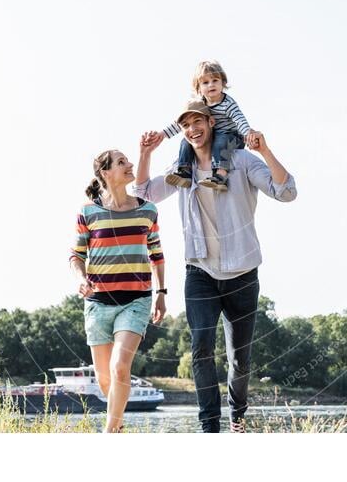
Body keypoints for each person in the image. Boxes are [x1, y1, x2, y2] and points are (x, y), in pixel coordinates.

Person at [135, 101, 297, 433]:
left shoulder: (240, 161)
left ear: (211, 122)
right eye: (185, 126)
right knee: (201, 348)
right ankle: (209, 427)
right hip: (200, 272)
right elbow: (143, 194)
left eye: (198, 122)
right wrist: (145, 154)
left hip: (242, 274)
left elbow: (287, 191)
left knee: (240, 358)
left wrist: (265, 150)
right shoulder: (183, 170)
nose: (192, 130)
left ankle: (237, 415)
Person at [69, 149, 167, 432]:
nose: (130, 165)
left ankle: (109, 434)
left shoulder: (148, 210)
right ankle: (119, 428)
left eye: (128, 160)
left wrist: (162, 292)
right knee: (104, 380)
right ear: (105, 173)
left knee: (120, 367)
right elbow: (76, 255)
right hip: (98, 303)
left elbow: (157, 255)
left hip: (135, 301)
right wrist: (80, 278)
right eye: (121, 162)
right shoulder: (88, 212)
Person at [145, 60, 261, 191]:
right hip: (214, 135)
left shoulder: (228, 103)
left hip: (232, 136)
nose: (211, 85)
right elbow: (182, 123)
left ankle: (220, 176)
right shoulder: (201, 103)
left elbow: (240, 120)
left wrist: (248, 133)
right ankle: (185, 172)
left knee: (220, 141)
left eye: (215, 80)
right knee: (185, 141)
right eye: (205, 82)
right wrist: (163, 134)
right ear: (199, 88)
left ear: (223, 83)